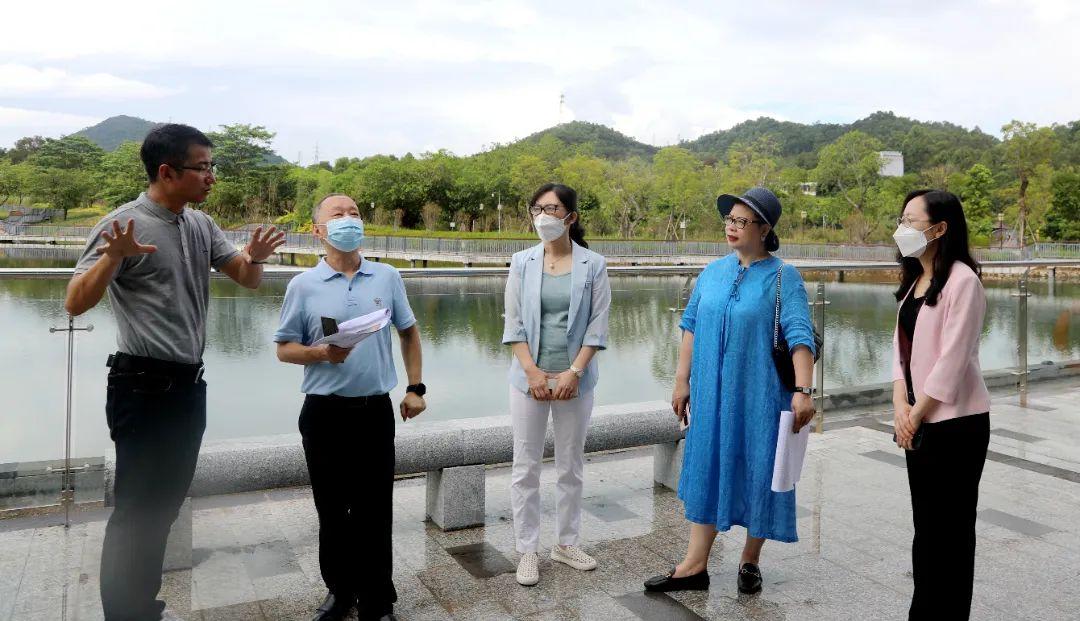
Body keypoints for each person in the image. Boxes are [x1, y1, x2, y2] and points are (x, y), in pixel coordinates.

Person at [64, 124, 285, 620]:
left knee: (162, 509)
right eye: (202, 167)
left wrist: (257, 258)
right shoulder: (122, 225)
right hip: (140, 386)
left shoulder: (200, 225)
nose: (211, 176)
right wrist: (112, 260)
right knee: (136, 513)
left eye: (211, 166)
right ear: (167, 172)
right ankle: (125, 613)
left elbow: (246, 280)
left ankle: (143, 605)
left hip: (187, 388)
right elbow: (75, 303)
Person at [644, 187, 816, 596]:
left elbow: (799, 335)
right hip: (711, 394)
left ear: (765, 228)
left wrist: (804, 390)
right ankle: (694, 565)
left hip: (759, 396)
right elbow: (690, 325)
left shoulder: (782, 277)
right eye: (729, 220)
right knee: (706, 466)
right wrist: (681, 379)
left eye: (741, 221)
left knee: (758, 468)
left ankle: (750, 559)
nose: (732, 227)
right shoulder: (713, 271)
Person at [274, 193, 425, 621]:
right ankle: (340, 592)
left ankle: (378, 601)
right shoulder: (302, 285)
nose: (348, 220)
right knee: (331, 508)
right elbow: (284, 349)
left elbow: (409, 333)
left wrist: (415, 387)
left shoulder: (387, 276)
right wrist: (321, 354)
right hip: (323, 413)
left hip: (373, 411)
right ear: (317, 230)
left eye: (355, 213)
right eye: (337, 214)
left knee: (375, 510)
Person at [502, 183, 611, 587]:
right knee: (525, 466)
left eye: (553, 209)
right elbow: (512, 322)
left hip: (574, 380)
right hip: (528, 377)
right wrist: (531, 371)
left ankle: (566, 544)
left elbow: (597, 327)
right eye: (538, 209)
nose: (544, 216)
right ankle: (527, 549)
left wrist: (574, 373)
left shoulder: (593, 264)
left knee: (571, 465)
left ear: (571, 217)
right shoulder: (521, 262)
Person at [891, 189, 989, 620]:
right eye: (903, 219)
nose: (903, 229)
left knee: (951, 533)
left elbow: (952, 360)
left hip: (955, 425)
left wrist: (912, 415)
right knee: (926, 531)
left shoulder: (963, 281)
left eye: (911, 221)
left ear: (939, 228)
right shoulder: (917, 280)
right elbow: (901, 353)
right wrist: (899, 405)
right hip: (919, 421)